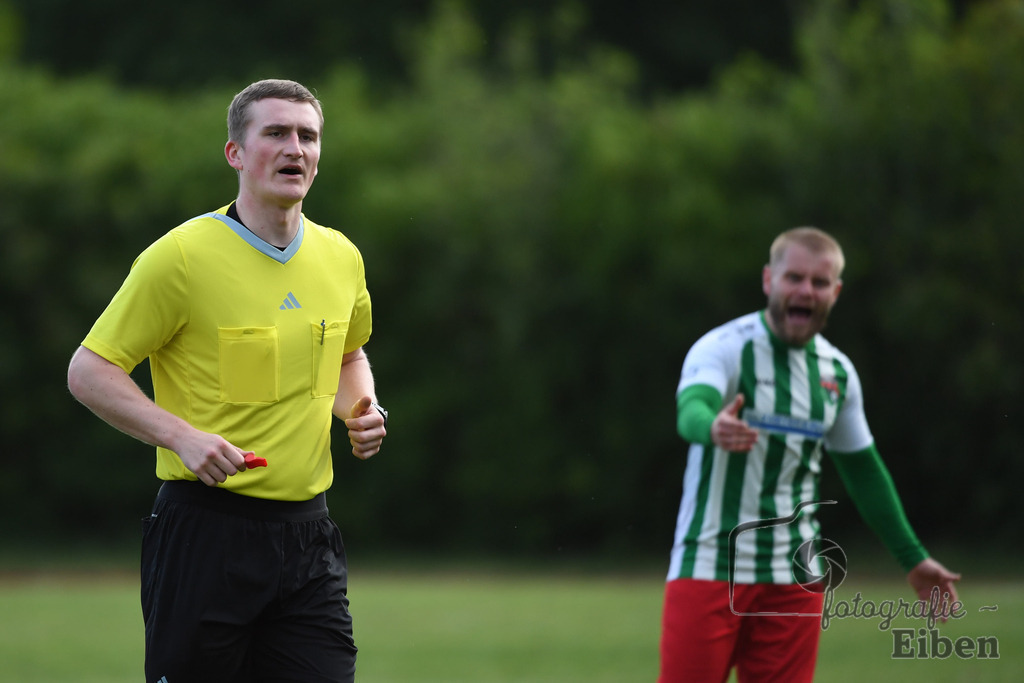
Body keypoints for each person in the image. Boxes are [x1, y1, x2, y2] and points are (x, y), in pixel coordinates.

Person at [66, 79, 387, 683]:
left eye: (308, 136)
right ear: (235, 154)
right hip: (204, 536)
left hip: (308, 538)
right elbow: (89, 370)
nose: (295, 147)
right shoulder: (181, 257)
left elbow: (349, 354)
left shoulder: (341, 255)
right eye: (276, 133)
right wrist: (179, 436)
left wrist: (362, 409)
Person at [657, 227, 960, 682]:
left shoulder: (836, 373)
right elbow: (691, 408)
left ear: (835, 292)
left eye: (819, 283)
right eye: (793, 277)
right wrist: (712, 426)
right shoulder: (724, 347)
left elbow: (863, 470)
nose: (805, 291)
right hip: (709, 564)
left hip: (796, 576)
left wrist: (913, 558)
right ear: (768, 281)